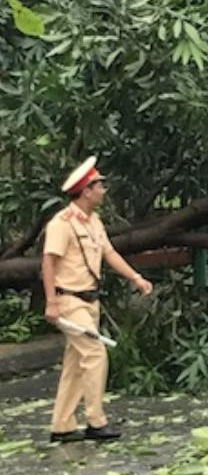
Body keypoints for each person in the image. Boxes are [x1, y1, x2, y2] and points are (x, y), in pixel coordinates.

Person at [42, 156, 153, 443]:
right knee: (94, 353)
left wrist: (135, 277)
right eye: (99, 185)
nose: (103, 190)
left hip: (89, 300)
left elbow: (110, 253)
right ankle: (95, 420)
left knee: (76, 362)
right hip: (69, 300)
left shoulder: (94, 221)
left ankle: (62, 425)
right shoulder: (62, 223)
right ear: (86, 190)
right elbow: (48, 261)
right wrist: (51, 301)